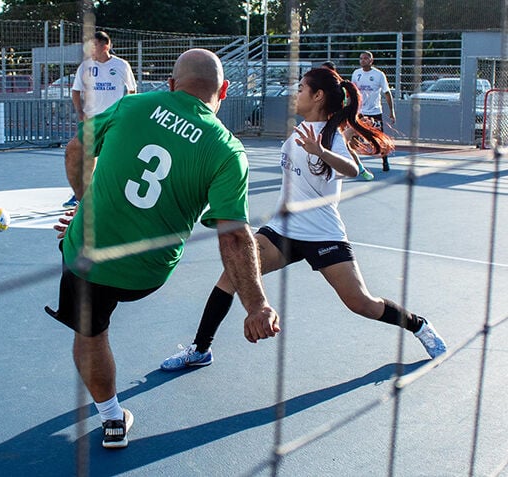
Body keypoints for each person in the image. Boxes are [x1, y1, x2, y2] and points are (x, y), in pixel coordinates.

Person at [47, 49, 279, 449]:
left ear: (170, 84)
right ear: (223, 90)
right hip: (148, 272)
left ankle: (112, 419)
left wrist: (86, 205)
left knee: (91, 333)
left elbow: (75, 151)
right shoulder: (226, 150)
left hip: (89, 256)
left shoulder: (133, 105)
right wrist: (256, 305)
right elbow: (235, 235)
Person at [160, 67, 447, 372]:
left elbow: (350, 170)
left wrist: (322, 150)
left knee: (361, 303)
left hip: (322, 233)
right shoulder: (301, 130)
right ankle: (200, 349)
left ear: (318, 95)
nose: (295, 94)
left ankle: (419, 325)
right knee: (233, 273)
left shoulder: (329, 137)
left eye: (301, 88)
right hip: (283, 229)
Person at [62, 31, 137, 208]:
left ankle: (118, 193)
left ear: (106, 46)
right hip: (92, 120)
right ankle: (80, 195)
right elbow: (76, 91)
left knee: (113, 157)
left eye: (94, 45)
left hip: (115, 119)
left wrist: (127, 111)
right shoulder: (86, 66)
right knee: (81, 155)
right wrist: (80, 112)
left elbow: (132, 90)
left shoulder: (121, 65)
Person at [320, 60, 374, 181]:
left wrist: (349, 116)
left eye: (325, 70)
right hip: (326, 120)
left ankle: (360, 169)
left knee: (345, 145)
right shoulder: (320, 87)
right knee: (343, 145)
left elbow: (349, 102)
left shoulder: (339, 87)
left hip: (337, 119)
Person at [351, 51, 396, 172]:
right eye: (361, 58)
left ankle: (385, 160)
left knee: (379, 138)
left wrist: (392, 111)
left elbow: (387, 92)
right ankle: (354, 163)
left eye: (366, 58)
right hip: (360, 112)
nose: (363, 60)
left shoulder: (379, 75)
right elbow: (352, 92)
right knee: (353, 136)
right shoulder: (356, 74)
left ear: (371, 61)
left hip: (374, 112)